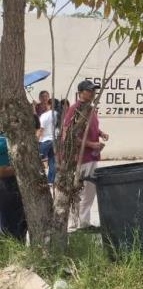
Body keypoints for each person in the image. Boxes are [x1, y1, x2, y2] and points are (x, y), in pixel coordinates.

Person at [64, 80, 109, 230]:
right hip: (81, 158)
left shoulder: (90, 109)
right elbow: (68, 135)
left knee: (89, 191)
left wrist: (101, 133)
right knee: (79, 191)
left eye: (93, 90)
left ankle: (84, 223)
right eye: (89, 90)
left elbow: (91, 127)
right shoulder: (75, 109)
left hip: (92, 156)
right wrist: (91, 144)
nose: (93, 93)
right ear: (81, 92)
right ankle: (76, 224)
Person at [0, 133, 27, 241]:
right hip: (7, 185)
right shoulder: (3, 142)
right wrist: (23, 168)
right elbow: (1, 172)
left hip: (10, 185)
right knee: (13, 224)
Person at [38, 98, 58, 184]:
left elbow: (41, 129)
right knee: (52, 161)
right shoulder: (59, 115)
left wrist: (36, 140)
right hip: (55, 140)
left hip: (45, 141)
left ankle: (39, 180)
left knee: (37, 160)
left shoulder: (45, 115)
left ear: (48, 105)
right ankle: (50, 181)